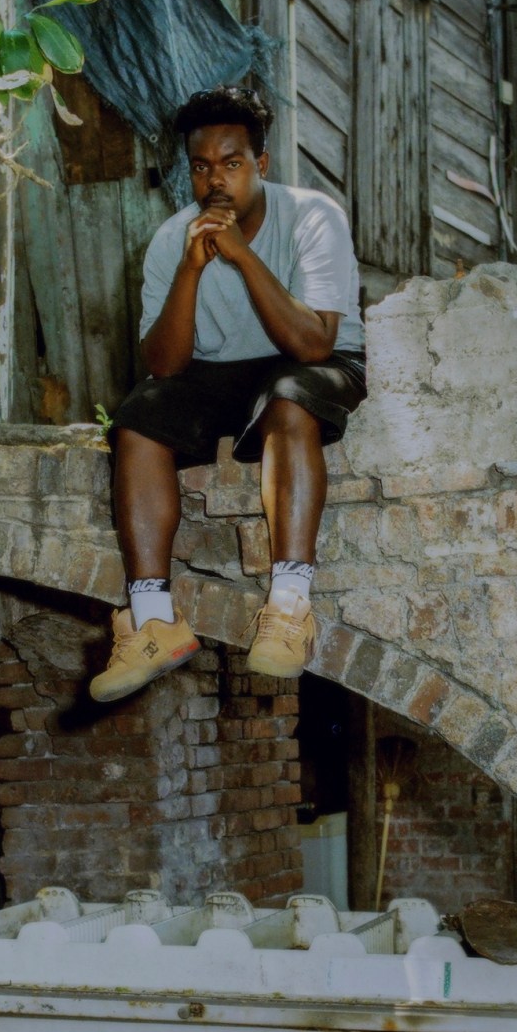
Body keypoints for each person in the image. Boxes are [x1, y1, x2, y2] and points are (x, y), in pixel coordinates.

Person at [91, 85, 368, 704]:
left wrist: (243, 257)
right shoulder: (171, 241)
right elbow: (164, 365)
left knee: (291, 396)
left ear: (261, 164)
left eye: (233, 163)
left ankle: (291, 606)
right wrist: (192, 268)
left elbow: (316, 343)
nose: (217, 181)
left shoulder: (313, 215)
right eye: (201, 167)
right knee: (137, 420)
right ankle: (152, 621)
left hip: (314, 360)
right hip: (223, 373)